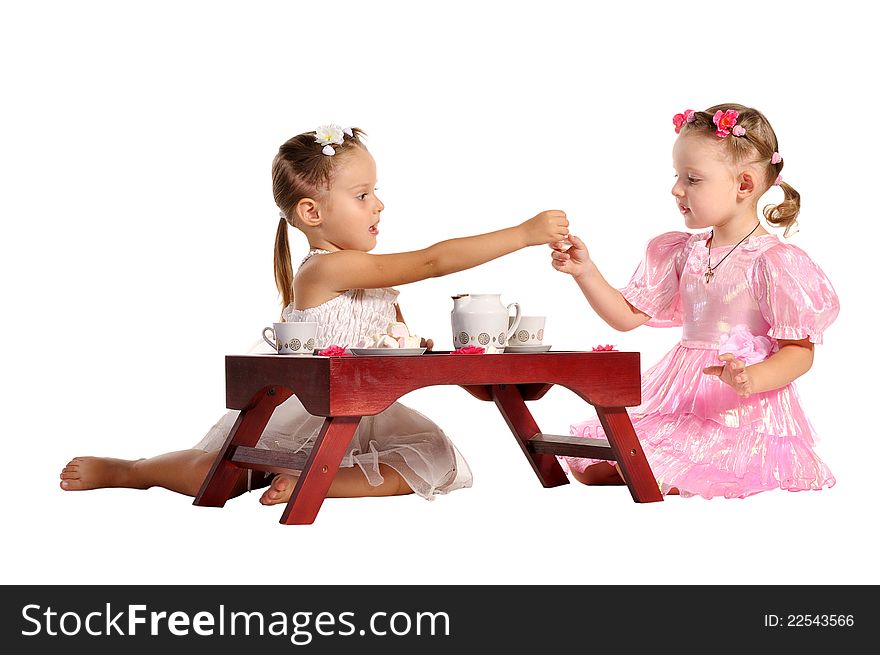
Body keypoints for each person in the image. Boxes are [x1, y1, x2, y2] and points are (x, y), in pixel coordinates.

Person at [61, 124, 569, 506]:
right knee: (223, 472)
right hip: (308, 402)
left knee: (433, 458)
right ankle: (133, 470)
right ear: (312, 213)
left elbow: (387, 341)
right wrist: (522, 235)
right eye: (363, 195)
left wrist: (417, 350)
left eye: (375, 191)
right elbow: (432, 261)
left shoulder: (370, 277)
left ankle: (319, 482)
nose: (380, 205)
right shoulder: (326, 270)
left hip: (366, 408)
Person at [549, 104, 839, 499]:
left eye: (693, 179)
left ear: (744, 185)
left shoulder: (773, 262)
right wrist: (585, 272)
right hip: (680, 392)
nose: (676, 189)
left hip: (738, 408)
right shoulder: (682, 252)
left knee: (670, 467)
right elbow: (626, 315)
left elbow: (799, 352)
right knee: (594, 466)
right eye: (677, 176)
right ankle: (668, 472)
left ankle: (679, 475)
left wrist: (751, 379)